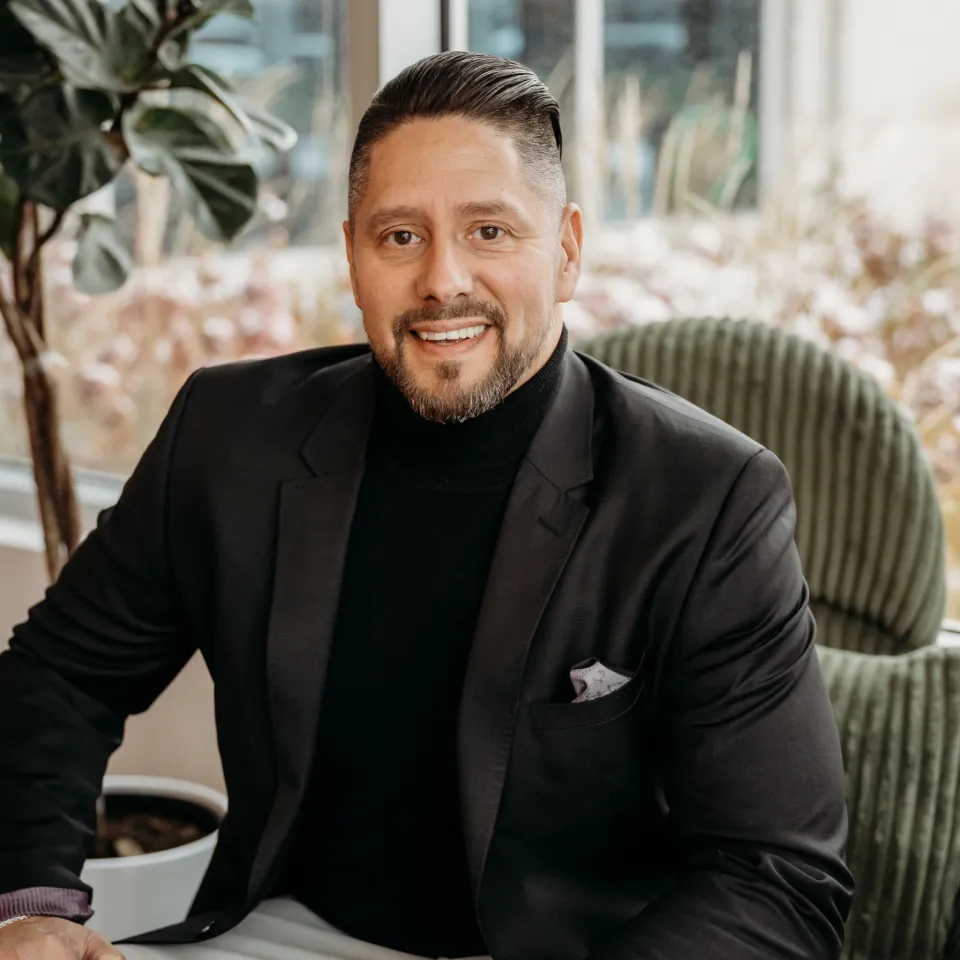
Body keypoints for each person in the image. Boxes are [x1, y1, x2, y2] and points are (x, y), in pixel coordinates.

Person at [0, 51, 853, 960]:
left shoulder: (707, 497)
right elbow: (62, 673)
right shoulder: (228, 433)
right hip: (280, 930)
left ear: (564, 250)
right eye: (400, 236)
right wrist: (33, 905)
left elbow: (778, 876)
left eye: (489, 231)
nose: (443, 279)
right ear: (354, 255)